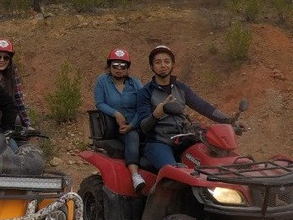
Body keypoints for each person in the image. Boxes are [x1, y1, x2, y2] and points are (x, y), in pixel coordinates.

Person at [135, 45, 235, 170]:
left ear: (173, 65)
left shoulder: (180, 88)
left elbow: (202, 106)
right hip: (158, 143)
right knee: (176, 174)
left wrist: (228, 120)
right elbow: (143, 127)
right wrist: (156, 114)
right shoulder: (145, 92)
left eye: (167, 61)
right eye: (158, 62)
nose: (163, 65)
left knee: (215, 164)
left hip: (183, 139)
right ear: (152, 66)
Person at [94, 48, 145, 192]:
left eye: (123, 66)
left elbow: (142, 105)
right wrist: (116, 113)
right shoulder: (102, 81)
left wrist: (133, 124)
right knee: (132, 135)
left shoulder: (135, 83)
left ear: (128, 68)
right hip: (114, 126)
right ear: (109, 66)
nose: (118, 69)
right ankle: (135, 175)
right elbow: (100, 103)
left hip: (136, 122)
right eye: (115, 65)